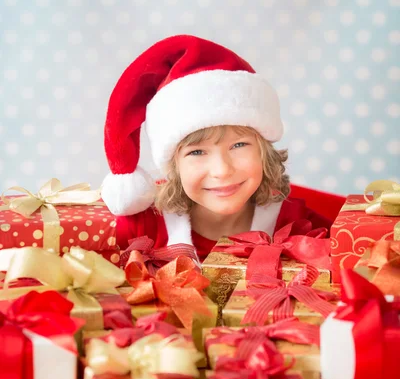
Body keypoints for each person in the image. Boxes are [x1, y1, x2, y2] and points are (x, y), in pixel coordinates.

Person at [101, 34, 332, 262]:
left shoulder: (300, 227)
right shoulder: (139, 227)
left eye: (239, 145)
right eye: (197, 152)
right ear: (174, 166)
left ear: (264, 152)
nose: (221, 170)